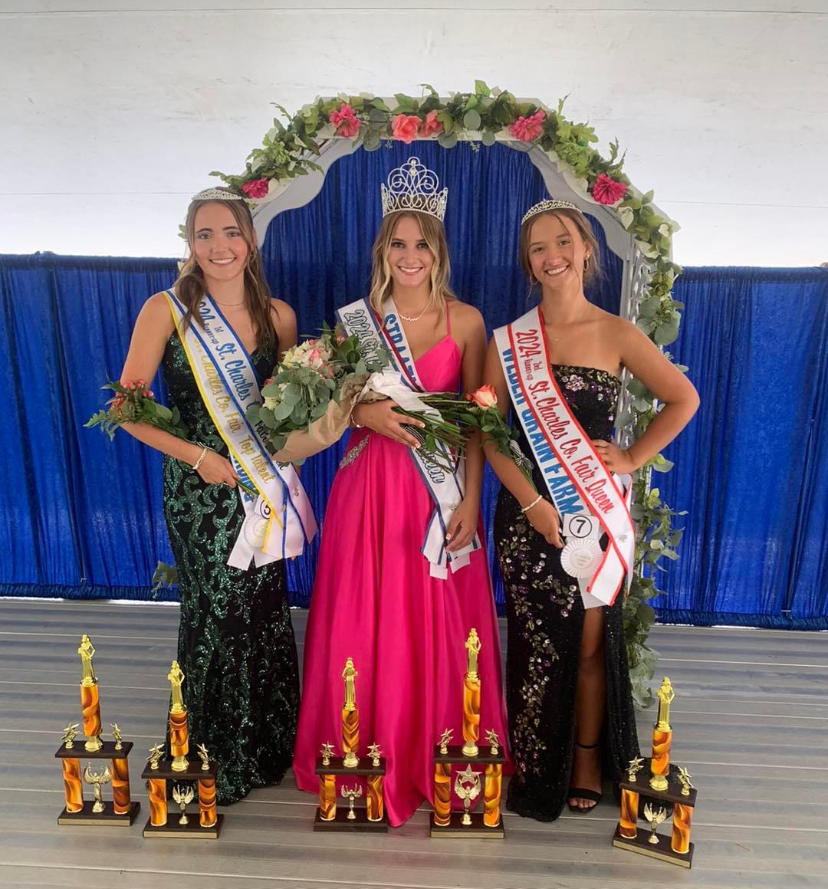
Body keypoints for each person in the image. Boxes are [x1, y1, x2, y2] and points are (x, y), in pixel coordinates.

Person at [292, 157, 508, 826]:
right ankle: (363, 751)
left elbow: (477, 422)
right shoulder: (355, 321)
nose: (409, 255)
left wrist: (472, 501)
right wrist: (361, 413)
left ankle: (434, 753)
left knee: (435, 621)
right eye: (398, 242)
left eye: (422, 243)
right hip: (368, 490)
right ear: (383, 248)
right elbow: (333, 408)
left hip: (436, 493)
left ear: (437, 251)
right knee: (366, 612)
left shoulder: (467, 321)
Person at [482, 198, 699, 820]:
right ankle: (531, 762)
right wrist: (529, 505)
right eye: (538, 249)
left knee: (587, 647)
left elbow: (682, 400)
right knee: (534, 644)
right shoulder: (509, 342)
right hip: (529, 519)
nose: (552, 256)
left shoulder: (617, 332)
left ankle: (582, 762)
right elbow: (490, 437)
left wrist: (630, 457)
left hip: (594, 517)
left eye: (563, 242)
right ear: (529, 263)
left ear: (586, 250)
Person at [118, 186, 315, 804]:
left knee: (261, 609)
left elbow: (290, 410)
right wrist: (198, 457)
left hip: (261, 486)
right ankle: (210, 750)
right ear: (189, 243)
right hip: (200, 486)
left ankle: (263, 745)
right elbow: (126, 412)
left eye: (230, 232)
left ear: (249, 239)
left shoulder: (279, 316)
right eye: (204, 235)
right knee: (218, 613)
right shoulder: (165, 310)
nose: (218, 246)